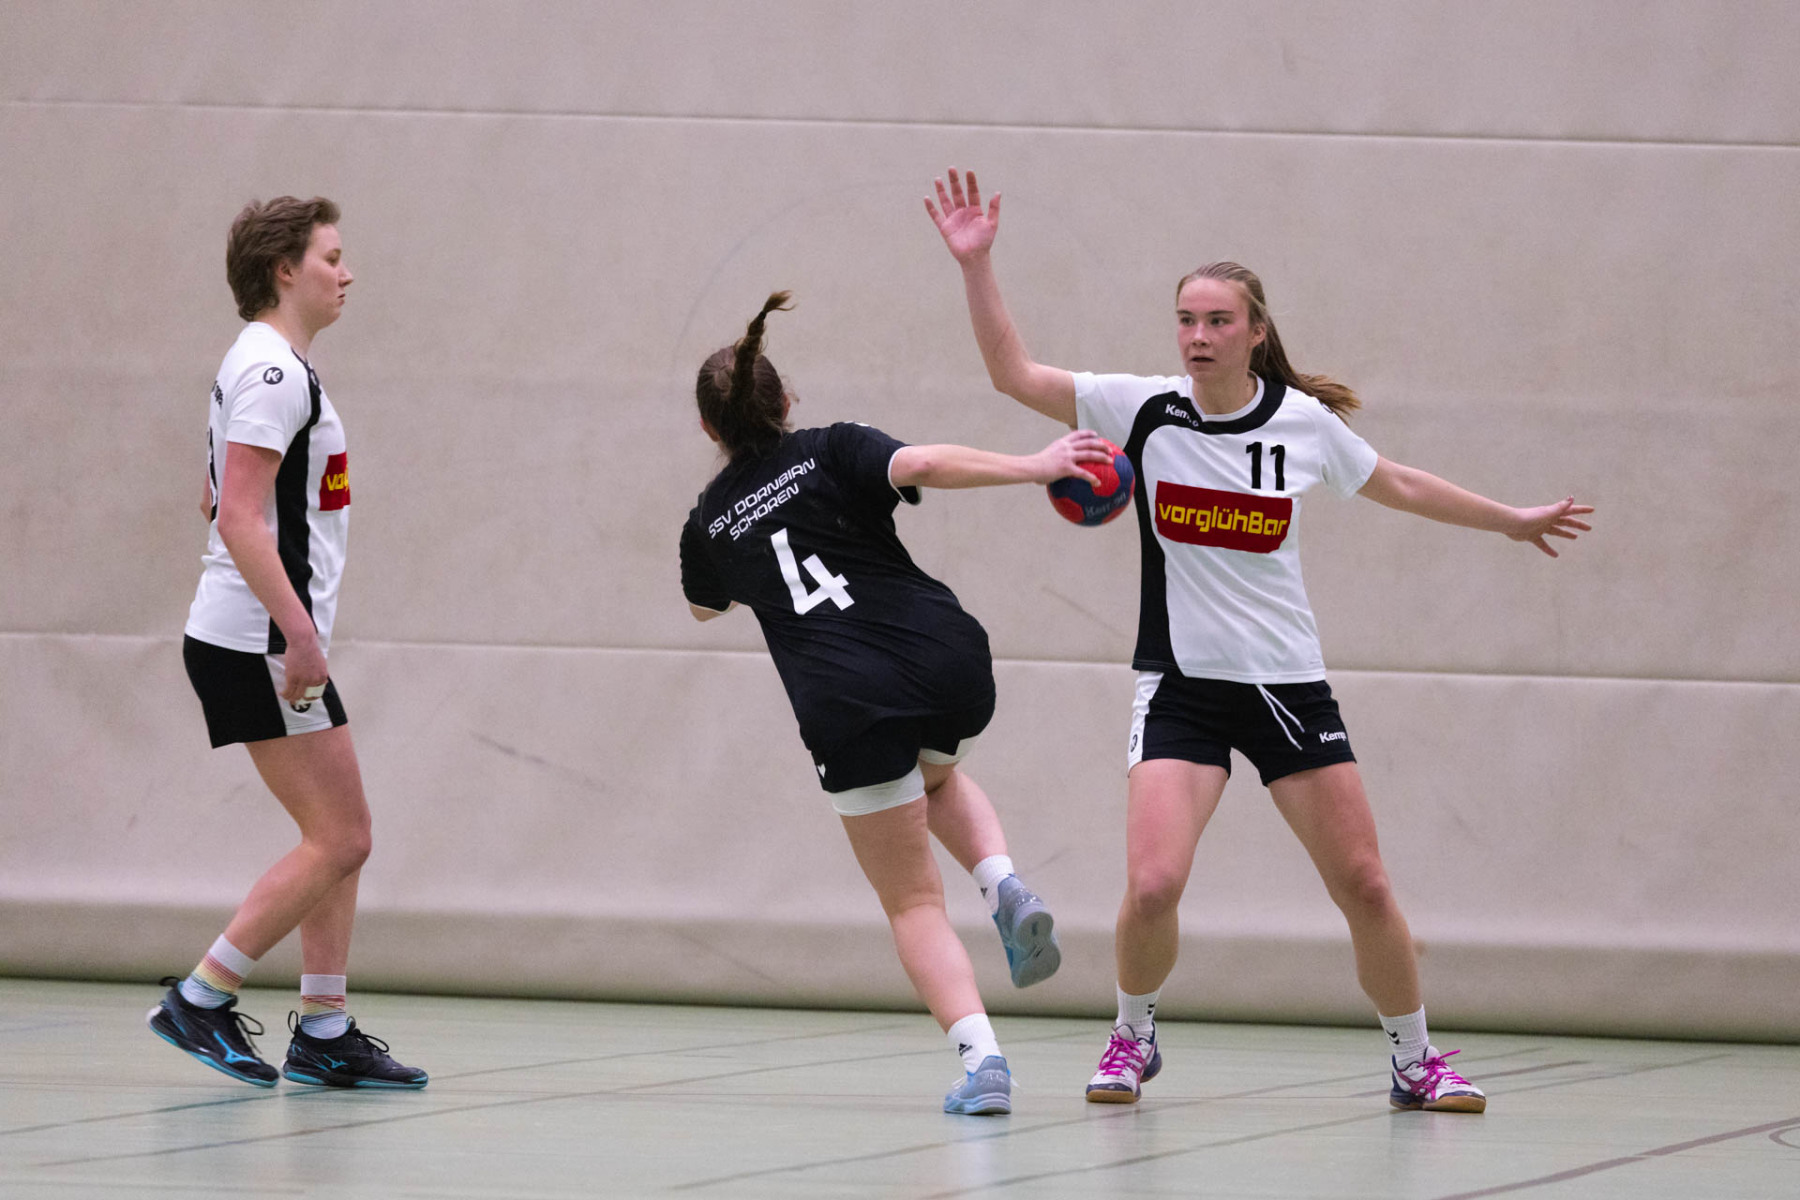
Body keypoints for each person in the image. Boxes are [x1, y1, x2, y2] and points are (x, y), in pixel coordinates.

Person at [926, 167, 1593, 1112]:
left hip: (1288, 685)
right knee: (1153, 886)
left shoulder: (1301, 424)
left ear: (1255, 332)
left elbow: (1400, 483)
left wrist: (1511, 520)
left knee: (1364, 884)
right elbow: (1014, 376)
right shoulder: (1142, 407)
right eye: (1185, 320)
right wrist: (976, 265)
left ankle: (1415, 1060)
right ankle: (1132, 1037)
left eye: (1217, 321)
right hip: (1181, 687)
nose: (1197, 336)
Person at [680, 292, 1110, 1115]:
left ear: (709, 429)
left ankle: (984, 1063)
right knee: (935, 776)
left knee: (912, 901)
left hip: (846, 705)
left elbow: (705, 607)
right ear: (786, 400)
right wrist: (1036, 465)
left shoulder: (708, 524)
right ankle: (1003, 882)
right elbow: (922, 464)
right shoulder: (832, 447)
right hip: (946, 661)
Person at [147, 196, 426, 1090]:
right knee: (343, 838)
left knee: (337, 833)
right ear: (284, 270)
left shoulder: (262, 364)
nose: (346, 274)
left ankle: (326, 1030)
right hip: (260, 643)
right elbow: (234, 514)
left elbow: (212, 495)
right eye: (331, 258)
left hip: (259, 636)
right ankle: (200, 996)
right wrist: (299, 634)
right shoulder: (273, 373)